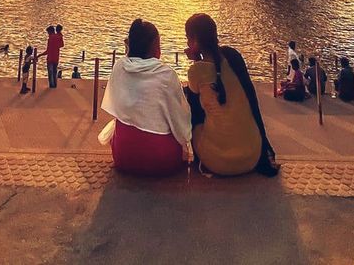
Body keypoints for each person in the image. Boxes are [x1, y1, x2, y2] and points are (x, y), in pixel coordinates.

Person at [185, 13, 278, 177]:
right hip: (253, 155)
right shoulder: (233, 56)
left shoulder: (196, 71)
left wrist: (195, 61)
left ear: (195, 41)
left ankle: (199, 162)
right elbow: (251, 98)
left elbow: (194, 109)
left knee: (190, 106)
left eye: (188, 38)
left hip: (219, 162)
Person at [99, 18, 191, 176]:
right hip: (160, 161)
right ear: (154, 46)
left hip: (123, 156)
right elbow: (180, 121)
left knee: (120, 123)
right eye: (159, 44)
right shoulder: (167, 74)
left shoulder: (119, 66)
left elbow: (117, 108)